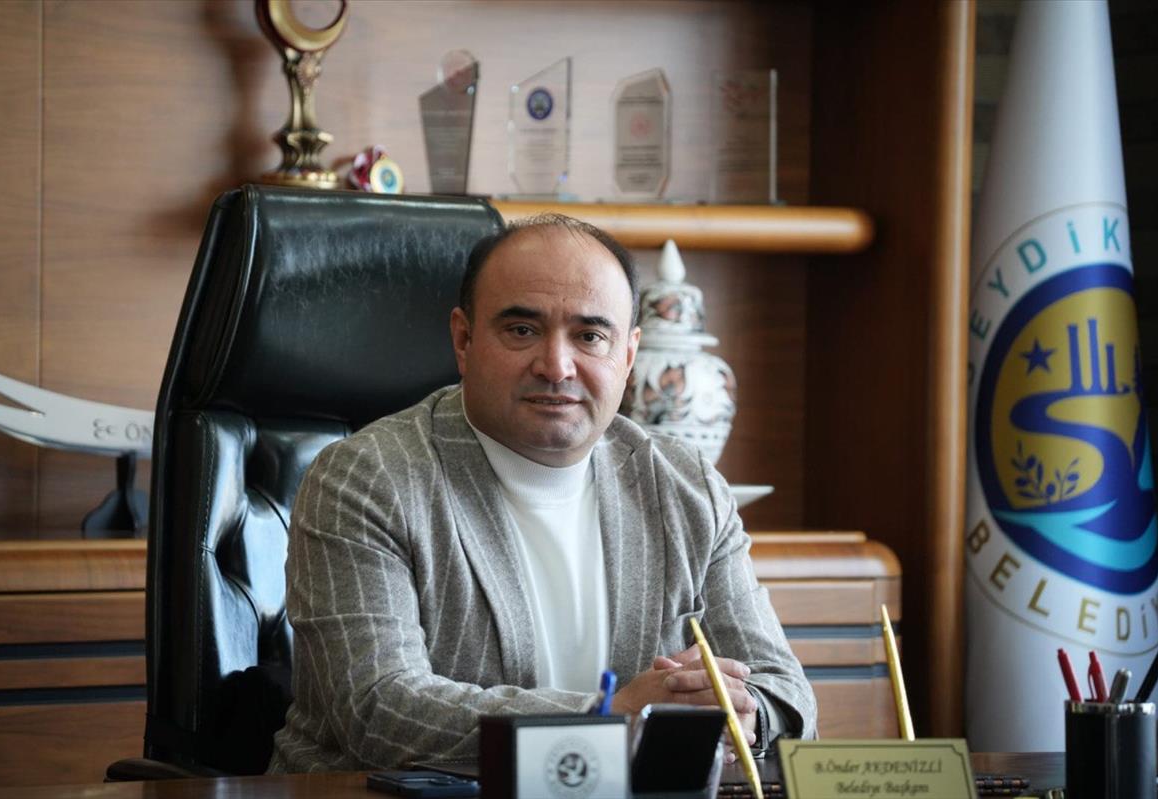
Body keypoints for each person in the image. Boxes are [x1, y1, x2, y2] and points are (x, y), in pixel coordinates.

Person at [268, 215, 816, 772]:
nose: (556, 366)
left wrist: (744, 712)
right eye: (522, 330)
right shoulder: (367, 478)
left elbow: (787, 692)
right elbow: (378, 710)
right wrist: (609, 718)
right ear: (464, 340)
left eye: (590, 336)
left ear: (628, 356)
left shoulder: (685, 484)